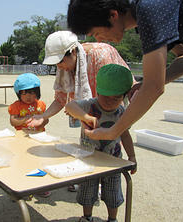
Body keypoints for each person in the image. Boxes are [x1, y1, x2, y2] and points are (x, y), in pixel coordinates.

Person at [27, 31, 134, 192]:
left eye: (61, 61)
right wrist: (43, 116)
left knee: (109, 137)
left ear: (74, 52)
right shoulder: (65, 68)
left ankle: (102, 176)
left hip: (113, 95)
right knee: (89, 136)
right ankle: (88, 174)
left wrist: (86, 112)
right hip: (93, 103)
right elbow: (61, 100)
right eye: (56, 63)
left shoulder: (100, 56)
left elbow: (109, 94)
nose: (59, 66)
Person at [67, 0, 183, 141]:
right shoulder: (148, 15)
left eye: (97, 33)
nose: (99, 39)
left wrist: (113, 132)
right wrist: (146, 83)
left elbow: (154, 87)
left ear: (113, 15)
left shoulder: (150, 8)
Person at [65, 64, 137, 222]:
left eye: (116, 98)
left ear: (124, 96)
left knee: (113, 194)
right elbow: (69, 106)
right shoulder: (90, 106)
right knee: (87, 193)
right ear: (98, 91)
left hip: (113, 162)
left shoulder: (122, 112)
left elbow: (125, 135)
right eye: (105, 96)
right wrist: (86, 117)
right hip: (89, 161)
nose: (110, 102)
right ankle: (87, 217)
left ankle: (112, 219)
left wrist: (132, 155)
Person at [8, 73, 51, 197]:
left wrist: (42, 120)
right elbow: (13, 121)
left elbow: (46, 119)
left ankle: (40, 186)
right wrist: (25, 119)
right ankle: (23, 186)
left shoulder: (40, 105)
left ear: (37, 92)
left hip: (39, 138)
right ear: (19, 93)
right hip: (21, 139)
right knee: (22, 162)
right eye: (25, 93)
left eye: (32, 93)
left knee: (39, 161)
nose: (29, 96)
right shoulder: (16, 106)